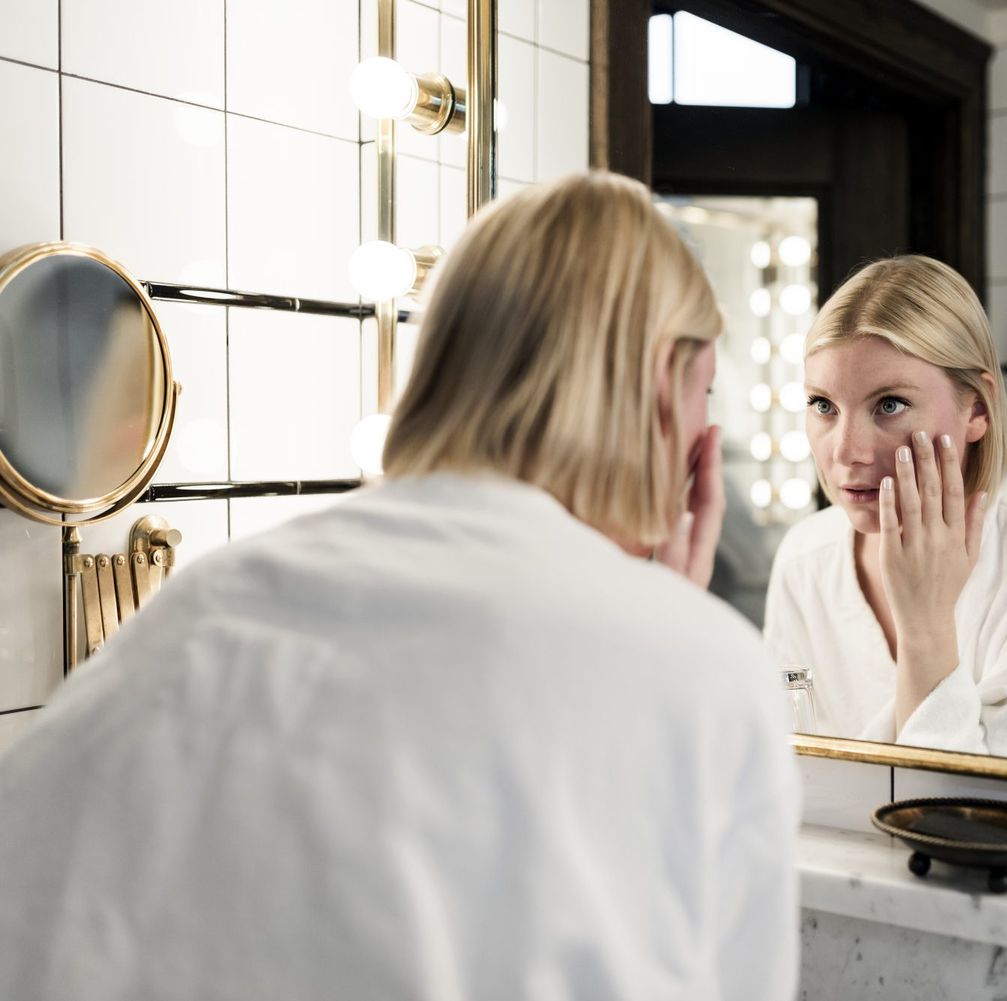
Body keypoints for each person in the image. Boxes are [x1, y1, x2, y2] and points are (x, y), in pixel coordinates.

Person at [0, 172, 800, 1000]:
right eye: (706, 393)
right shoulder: (702, 672)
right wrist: (668, 629)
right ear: (664, 387)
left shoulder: (204, 600)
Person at [764, 255, 1007, 773]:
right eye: (823, 405)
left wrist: (926, 626)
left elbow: (983, 814)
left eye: (889, 405)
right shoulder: (805, 559)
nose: (845, 451)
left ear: (976, 409)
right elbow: (785, 769)